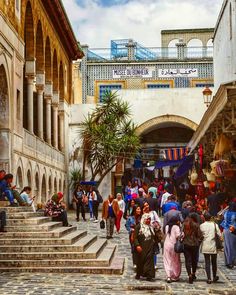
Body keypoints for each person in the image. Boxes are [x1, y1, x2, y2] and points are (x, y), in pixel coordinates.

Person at [134, 213, 158, 281]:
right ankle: (139, 273)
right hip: (142, 246)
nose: (148, 220)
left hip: (150, 246)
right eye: (147, 219)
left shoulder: (151, 227)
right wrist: (137, 245)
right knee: (141, 261)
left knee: (149, 260)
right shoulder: (139, 227)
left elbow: (154, 236)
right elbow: (135, 237)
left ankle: (149, 275)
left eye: (149, 219)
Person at [200, 212, 221, 284]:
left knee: (207, 262)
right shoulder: (215, 225)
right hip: (213, 245)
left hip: (205, 245)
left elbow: (200, 235)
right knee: (214, 262)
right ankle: (214, 276)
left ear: (204, 218)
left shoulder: (202, 226)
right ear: (210, 218)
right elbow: (219, 234)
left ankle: (209, 278)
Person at [182, 216, 203, 284]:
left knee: (187, 260)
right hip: (194, 245)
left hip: (186, 244)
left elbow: (182, 234)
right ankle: (193, 273)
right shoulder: (196, 225)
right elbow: (200, 235)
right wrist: (198, 241)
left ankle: (189, 274)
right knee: (194, 260)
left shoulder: (184, 224)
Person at [163, 216, 182, 283]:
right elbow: (178, 236)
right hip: (173, 245)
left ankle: (168, 275)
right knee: (175, 260)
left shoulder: (167, 227)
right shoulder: (176, 227)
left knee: (167, 260)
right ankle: (175, 275)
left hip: (167, 244)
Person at [220, 201, 236, 269]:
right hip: (233, 231)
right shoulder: (235, 214)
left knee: (226, 246)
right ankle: (231, 262)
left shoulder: (225, 213)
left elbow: (220, 216)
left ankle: (227, 262)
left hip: (225, 231)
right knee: (232, 247)